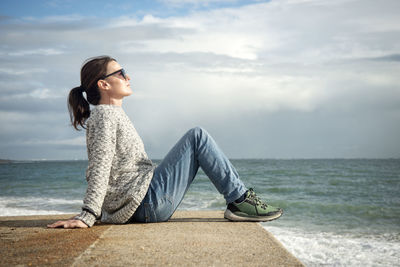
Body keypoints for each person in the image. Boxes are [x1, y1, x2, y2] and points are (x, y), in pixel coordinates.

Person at [47, 56, 283, 229]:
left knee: (194, 138)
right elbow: (100, 165)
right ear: (103, 84)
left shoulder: (110, 114)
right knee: (197, 136)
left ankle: (239, 200)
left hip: (141, 202)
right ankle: (240, 201)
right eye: (120, 73)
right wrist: (88, 214)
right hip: (146, 204)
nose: (127, 77)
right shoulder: (105, 115)